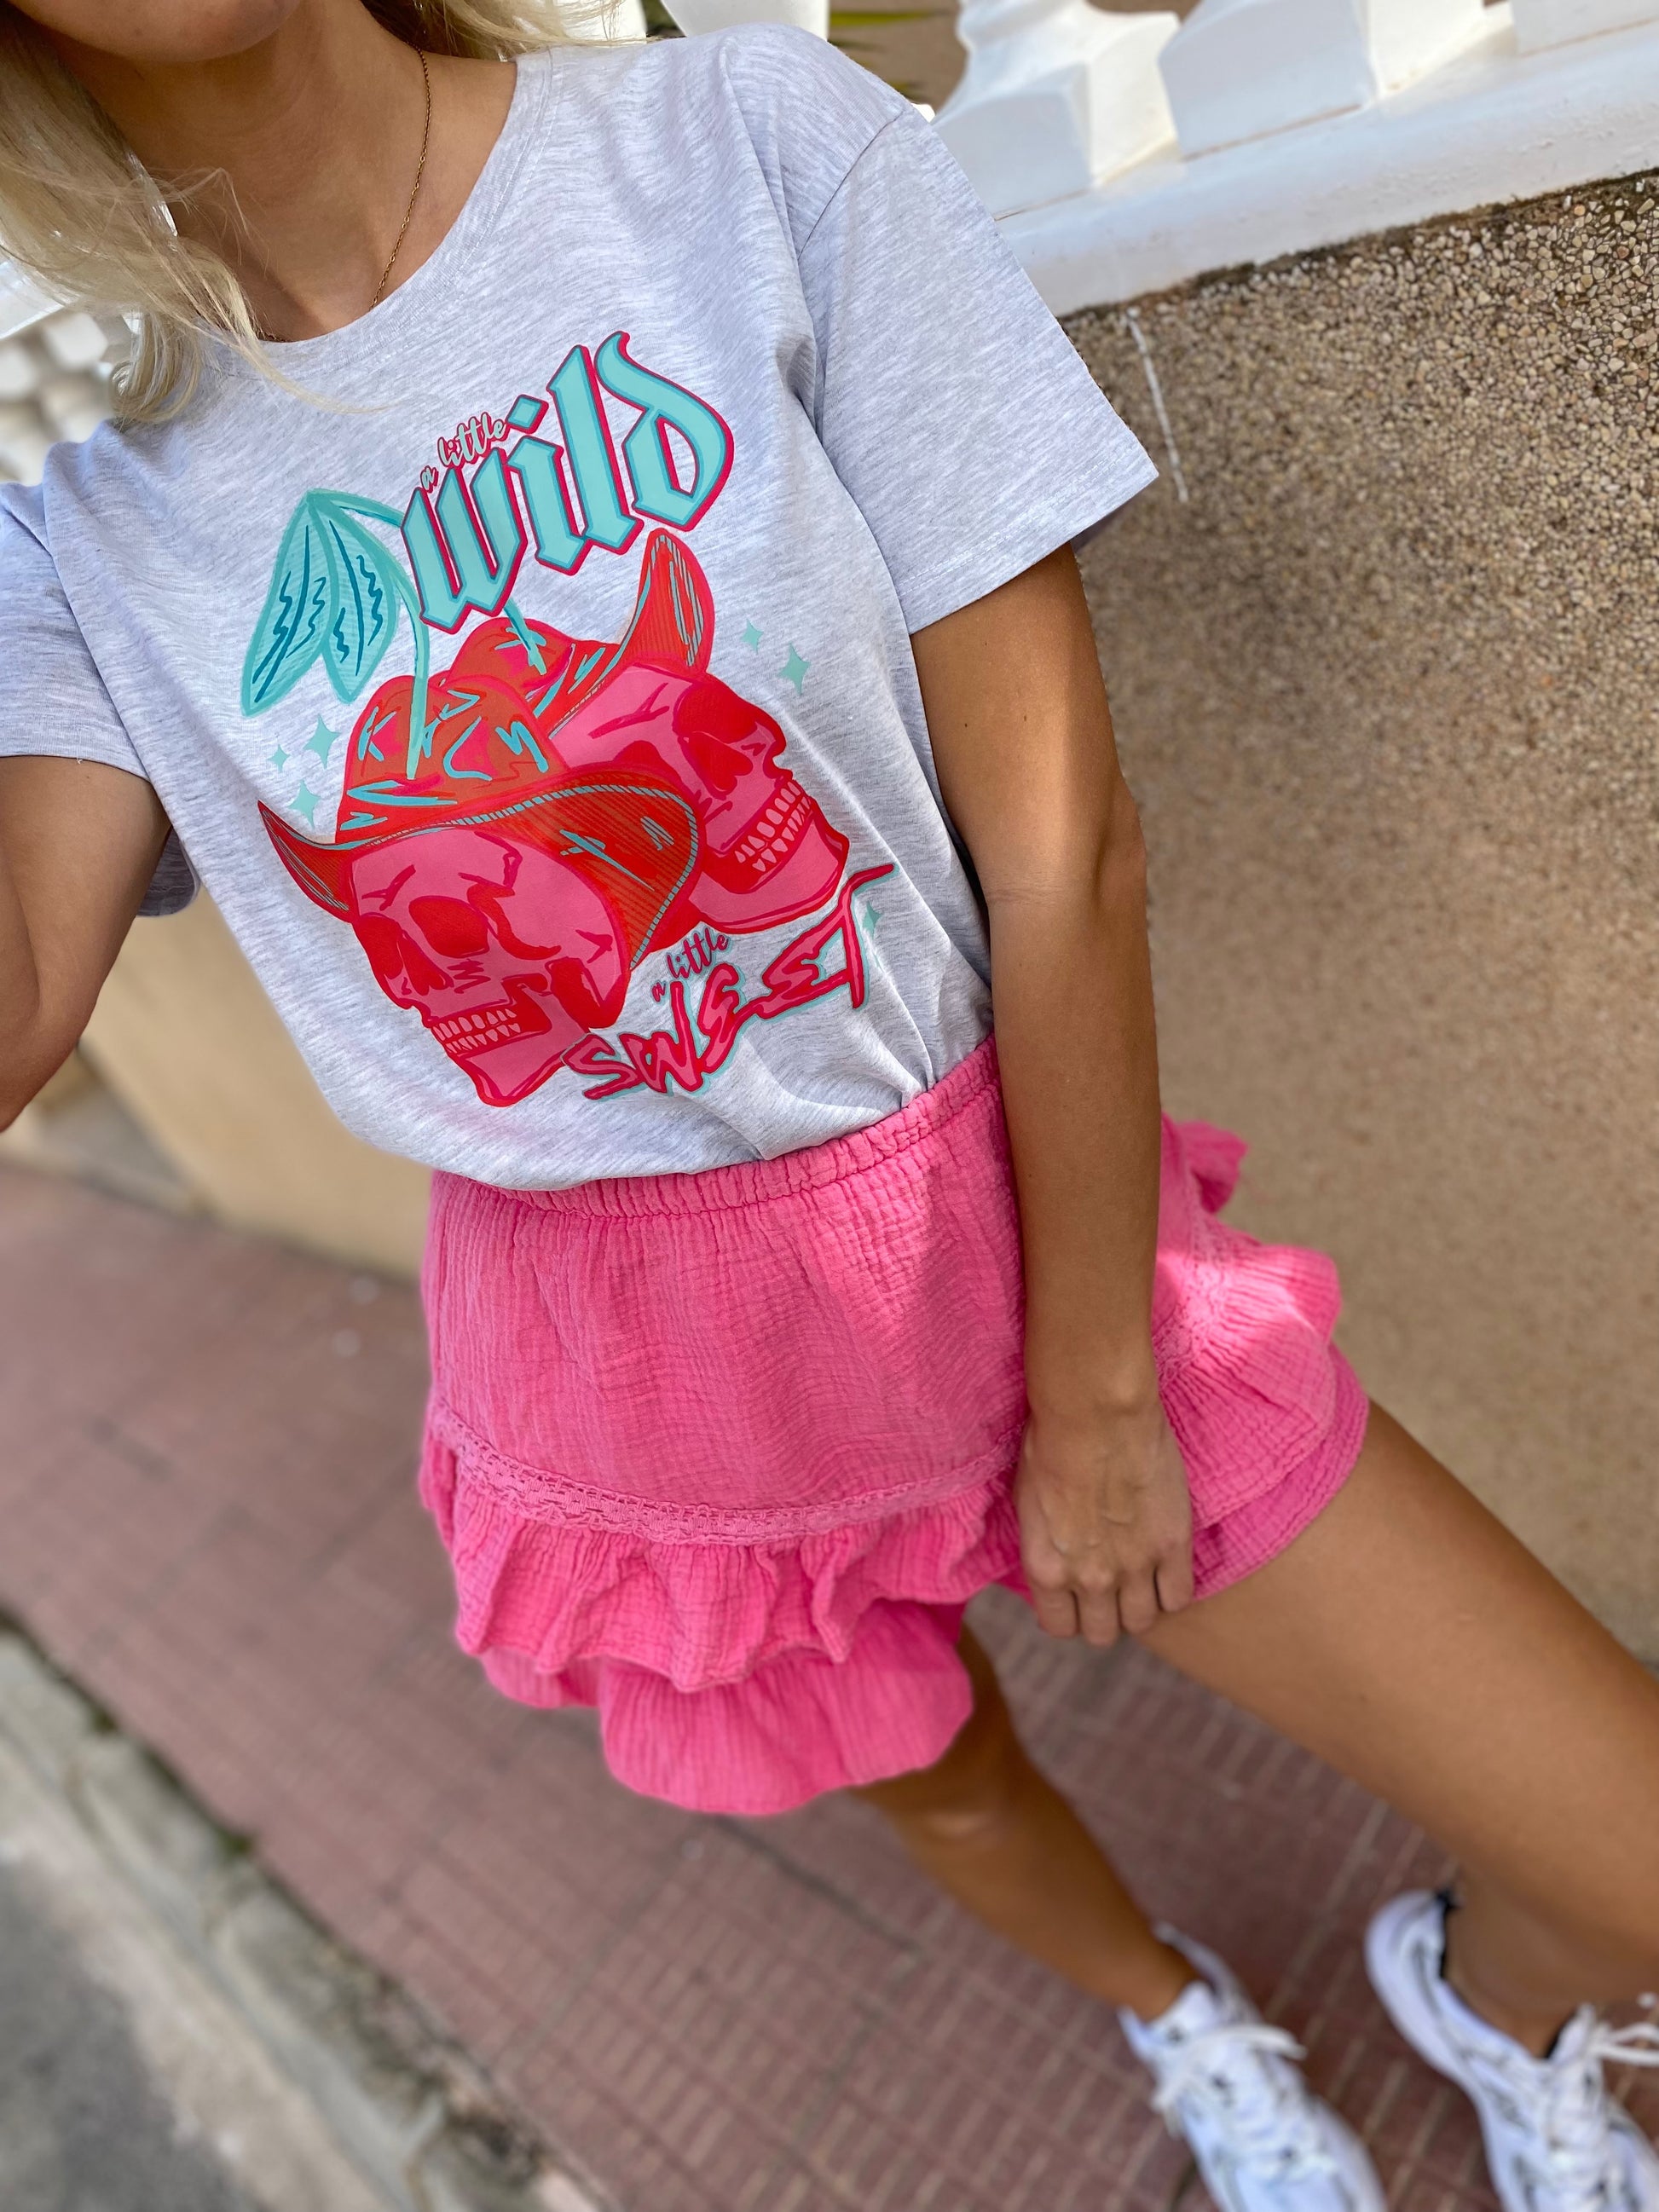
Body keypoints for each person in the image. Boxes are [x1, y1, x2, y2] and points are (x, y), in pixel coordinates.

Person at [0, 4, 1655, 2206]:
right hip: (625, 1358)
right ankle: (1176, 2018)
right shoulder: (84, 511)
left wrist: (1096, 1389)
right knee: (933, 1773)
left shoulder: (737, 142)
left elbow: (1060, 843)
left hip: (1000, 1227)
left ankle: (1488, 1991)